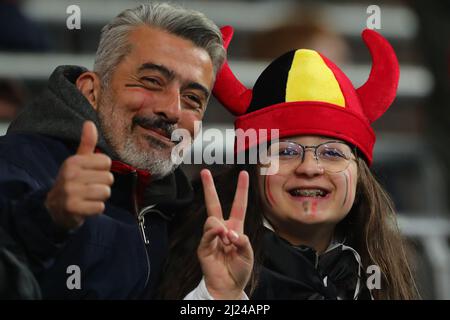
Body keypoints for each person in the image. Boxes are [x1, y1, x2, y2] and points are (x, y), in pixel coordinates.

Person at [0, 3, 252, 299]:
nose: (172, 110)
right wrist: (46, 218)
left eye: (193, 98)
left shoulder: (179, 212)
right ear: (91, 91)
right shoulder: (15, 165)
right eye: (152, 81)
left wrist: (218, 298)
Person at [158, 26, 420, 300]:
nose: (309, 167)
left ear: (359, 175)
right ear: (252, 169)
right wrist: (219, 296)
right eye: (285, 152)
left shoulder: (394, 267)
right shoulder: (185, 251)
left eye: (332, 153)